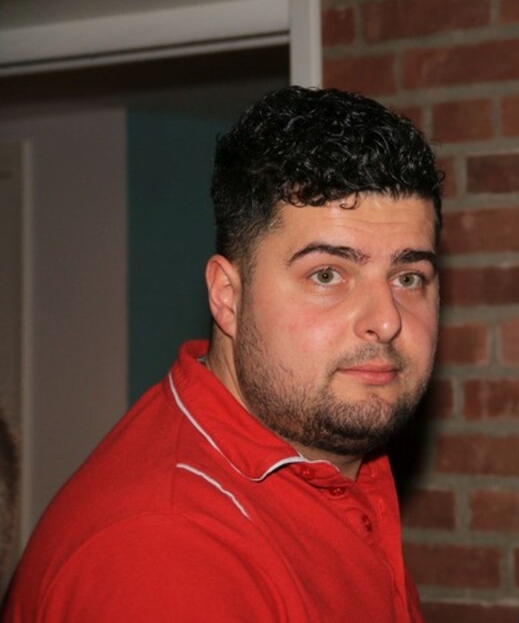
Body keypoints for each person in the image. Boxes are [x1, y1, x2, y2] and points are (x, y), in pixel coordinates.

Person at [3, 86, 442, 621]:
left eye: (408, 277)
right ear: (227, 297)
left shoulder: (337, 458)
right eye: (327, 275)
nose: (387, 319)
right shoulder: (164, 553)